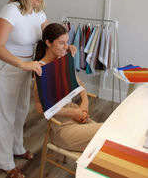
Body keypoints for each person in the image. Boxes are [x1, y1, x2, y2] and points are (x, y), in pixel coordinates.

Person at [0, 0, 76, 178]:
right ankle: (3, 161)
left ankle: (17, 147)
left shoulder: (38, 13)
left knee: (19, 111)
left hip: (27, 67)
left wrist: (65, 46)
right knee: (4, 114)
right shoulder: (11, 11)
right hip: (7, 66)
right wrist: (22, 63)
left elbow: (52, 36)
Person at [34, 23, 102, 152]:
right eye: (61, 43)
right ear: (48, 43)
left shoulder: (62, 60)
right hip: (63, 128)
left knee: (110, 134)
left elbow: (79, 84)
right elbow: (39, 107)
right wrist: (73, 113)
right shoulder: (40, 69)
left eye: (67, 42)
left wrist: (85, 103)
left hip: (75, 115)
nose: (66, 47)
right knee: (107, 134)